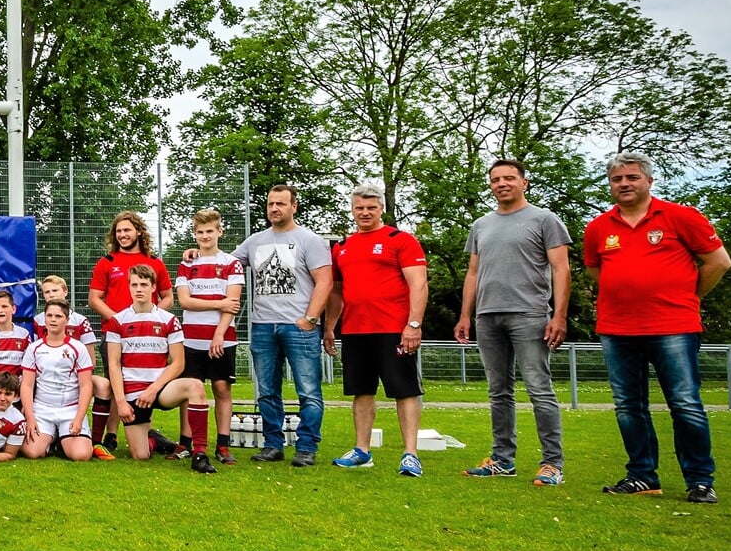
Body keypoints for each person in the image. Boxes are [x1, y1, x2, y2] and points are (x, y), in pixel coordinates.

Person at [583, 152, 731, 504]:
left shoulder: (681, 216)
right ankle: (642, 475)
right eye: (617, 179)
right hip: (617, 329)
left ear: (649, 181)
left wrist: (688, 297)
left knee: (684, 403)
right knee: (628, 406)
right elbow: (595, 271)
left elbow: (718, 261)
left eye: (632, 178)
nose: (624, 184)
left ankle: (699, 479)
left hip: (673, 327)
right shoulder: (599, 227)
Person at [454, 160, 571, 485]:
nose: (501, 183)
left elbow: (561, 269)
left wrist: (558, 315)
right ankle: (502, 460)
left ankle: (552, 464)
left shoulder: (544, 219)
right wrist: (466, 315)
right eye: (495, 179)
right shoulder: (481, 225)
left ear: (524, 182)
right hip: (487, 316)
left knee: (539, 388)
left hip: (529, 314)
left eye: (509, 178)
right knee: (498, 391)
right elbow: (474, 272)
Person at [323, 186, 430, 477]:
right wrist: (330, 327)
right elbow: (337, 291)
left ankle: (410, 453)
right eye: (359, 208)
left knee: (404, 390)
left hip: (394, 329)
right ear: (352, 210)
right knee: (361, 391)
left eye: (371, 208)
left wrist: (414, 324)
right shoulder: (342, 245)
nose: (365, 213)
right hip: (356, 331)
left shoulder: (401, 240)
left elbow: (418, 284)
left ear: (380, 208)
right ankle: (362, 451)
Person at [228, 185, 332, 466]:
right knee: (266, 391)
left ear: (294, 206)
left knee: (308, 391)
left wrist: (310, 319)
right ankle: (272, 444)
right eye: (271, 204)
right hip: (263, 326)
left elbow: (325, 281)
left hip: (299, 326)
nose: (275, 208)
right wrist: (196, 252)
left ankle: (306, 446)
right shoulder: (255, 242)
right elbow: (226, 265)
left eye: (281, 204)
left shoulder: (310, 240)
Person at [106, 265, 215, 471]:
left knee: (195, 386)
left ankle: (199, 453)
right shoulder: (117, 321)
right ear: (128, 287)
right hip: (133, 392)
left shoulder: (169, 320)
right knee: (141, 456)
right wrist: (120, 402)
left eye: (144, 285)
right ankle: (154, 439)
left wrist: (153, 389)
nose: (139, 289)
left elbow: (179, 362)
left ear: (153, 287)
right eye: (134, 284)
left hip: (160, 389)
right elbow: (114, 363)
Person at [175, 209, 245, 465]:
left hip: (222, 338)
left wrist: (218, 333)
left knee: (221, 388)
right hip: (191, 338)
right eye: (200, 232)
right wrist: (218, 303)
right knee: (190, 389)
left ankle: (223, 446)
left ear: (219, 232)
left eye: (209, 231)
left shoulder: (231, 262)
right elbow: (184, 301)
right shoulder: (187, 263)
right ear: (195, 234)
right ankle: (186, 442)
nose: (205, 236)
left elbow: (233, 303)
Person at [35, 275, 113, 452]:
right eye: (47, 292)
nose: (51, 295)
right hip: (47, 376)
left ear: (65, 291)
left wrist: (74, 375)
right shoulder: (39, 320)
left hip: (77, 374)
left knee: (103, 384)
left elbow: (91, 359)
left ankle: (96, 440)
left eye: (55, 290)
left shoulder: (80, 321)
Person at [20, 300, 96, 461]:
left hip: (70, 410)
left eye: (58, 316)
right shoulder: (34, 348)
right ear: (44, 319)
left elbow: (86, 385)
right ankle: (52, 440)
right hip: (42, 409)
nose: (53, 320)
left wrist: (78, 418)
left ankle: (64, 440)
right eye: (49, 315)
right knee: (32, 452)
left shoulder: (78, 348)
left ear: (67, 320)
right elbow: (27, 385)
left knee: (81, 455)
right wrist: (30, 418)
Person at [87, 211, 172, 324]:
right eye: (118, 231)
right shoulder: (106, 262)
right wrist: (119, 321)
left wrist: (150, 318)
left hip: (148, 331)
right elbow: (94, 299)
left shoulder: (155, 262)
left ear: (139, 231)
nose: (122, 235)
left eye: (127, 230)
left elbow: (168, 298)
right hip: (114, 332)